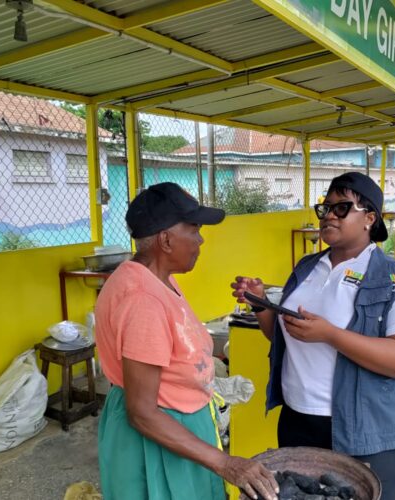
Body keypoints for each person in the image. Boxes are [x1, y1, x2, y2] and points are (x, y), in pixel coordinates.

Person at [231, 173, 395, 500]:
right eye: (323, 208)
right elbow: (285, 339)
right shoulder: (307, 268)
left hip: (366, 431)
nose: (328, 216)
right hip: (298, 421)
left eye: (341, 208)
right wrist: (261, 305)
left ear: (370, 218)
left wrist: (331, 335)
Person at [96, 183, 278, 500]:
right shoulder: (143, 301)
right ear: (166, 240)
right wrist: (226, 462)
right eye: (194, 229)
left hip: (179, 426)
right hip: (158, 435)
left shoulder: (156, 279)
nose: (201, 239)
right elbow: (142, 412)